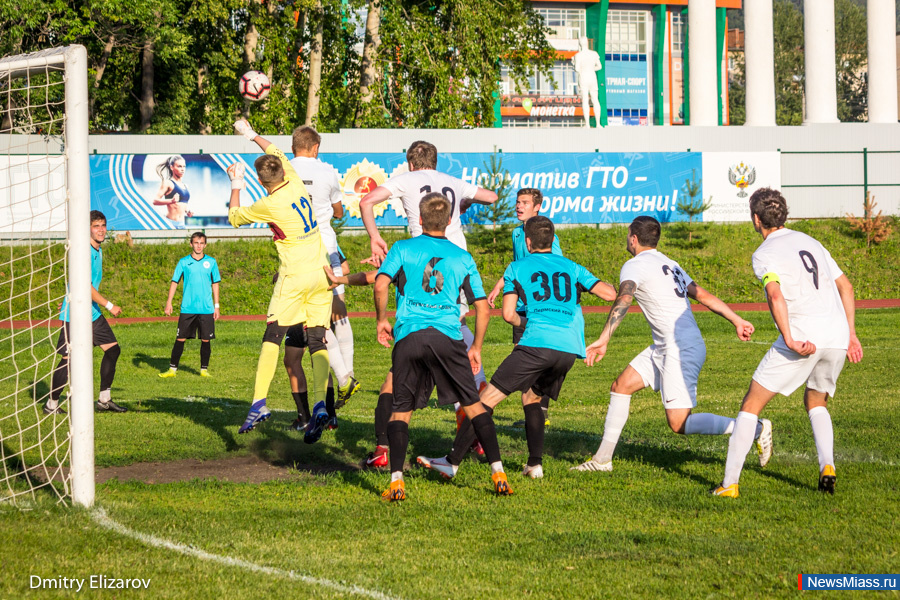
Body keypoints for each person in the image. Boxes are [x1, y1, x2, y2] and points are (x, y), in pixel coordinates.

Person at [418, 216, 616, 480]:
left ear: (528, 240)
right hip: (569, 349)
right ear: (553, 239)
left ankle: (451, 462)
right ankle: (534, 465)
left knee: (485, 400)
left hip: (537, 343)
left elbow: (509, 315)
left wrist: (532, 320)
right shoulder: (572, 266)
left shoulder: (517, 267)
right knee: (532, 397)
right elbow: (610, 294)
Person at [572, 216, 766, 474]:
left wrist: (605, 338)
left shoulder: (634, 264)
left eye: (628, 235)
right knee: (621, 386)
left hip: (680, 348)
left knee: (679, 423)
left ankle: (755, 428)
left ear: (634, 238)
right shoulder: (669, 263)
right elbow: (703, 295)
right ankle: (602, 459)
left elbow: (624, 298)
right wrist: (736, 319)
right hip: (665, 345)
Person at [713, 188, 863, 498]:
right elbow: (845, 287)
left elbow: (775, 294)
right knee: (816, 401)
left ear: (756, 219)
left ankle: (729, 485)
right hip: (835, 336)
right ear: (785, 215)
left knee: (751, 406)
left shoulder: (764, 253)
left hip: (804, 336)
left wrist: (791, 339)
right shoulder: (812, 242)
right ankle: (827, 466)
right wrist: (850, 334)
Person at [357, 140, 499, 465]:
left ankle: (384, 449)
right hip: (456, 261)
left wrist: (374, 236)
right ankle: (474, 427)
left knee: (408, 352)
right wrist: (459, 208)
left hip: (420, 260)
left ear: (410, 163)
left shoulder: (406, 180)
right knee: (456, 340)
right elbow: (490, 197)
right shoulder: (452, 180)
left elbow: (367, 201)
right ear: (434, 161)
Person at [375, 193, 511, 501]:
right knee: (474, 405)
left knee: (401, 410)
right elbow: (481, 306)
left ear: (420, 220)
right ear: (449, 222)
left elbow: (381, 283)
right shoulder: (462, 257)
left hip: (409, 335)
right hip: (448, 337)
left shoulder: (403, 248)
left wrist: (382, 319)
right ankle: (499, 473)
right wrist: (475, 345)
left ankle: (396, 482)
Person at [226, 119, 332, 441]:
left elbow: (234, 218)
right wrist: (250, 134)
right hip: (322, 271)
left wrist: (236, 183)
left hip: (295, 276)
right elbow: (273, 150)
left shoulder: (269, 204)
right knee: (317, 341)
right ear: (283, 170)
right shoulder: (296, 180)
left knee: (272, 335)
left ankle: (258, 403)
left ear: (262, 180)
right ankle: (319, 406)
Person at [288, 126, 360, 409]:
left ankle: (344, 379)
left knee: (315, 320)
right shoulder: (328, 171)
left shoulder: (285, 169)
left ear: (295, 146)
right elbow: (338, 210)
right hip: (328, 246)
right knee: (338, 310)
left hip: (302, 249)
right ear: (315, 147)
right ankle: (349, 373)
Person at [486, 188, 562, 427]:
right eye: (518, 202)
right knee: (524, 352)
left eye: (525, 203)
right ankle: (537, 410)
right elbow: (517, 265)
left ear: (537, 207)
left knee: (531, 356)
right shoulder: (517, 233)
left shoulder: (548, 237)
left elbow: (555, 266)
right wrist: (500, 286)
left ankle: (538, 410)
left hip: (538, 308)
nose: (519, 206)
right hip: (520, 307)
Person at [47, 210, 126, 415]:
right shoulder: (84, 251)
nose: (100, 230)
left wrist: (67, 295)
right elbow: (84, 285)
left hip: (91, 313)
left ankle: (104, 400)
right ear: (87, 229)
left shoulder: (97, 250)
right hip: (74, 316)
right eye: (96, 226)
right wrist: (110, 305)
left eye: (103, 225)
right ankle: (51, 405)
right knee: (68, 360)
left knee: (113, 349)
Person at [158, 232, 221, 378]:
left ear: (205, 245)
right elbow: (174, 282)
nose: (199, 246)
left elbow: (215, 284)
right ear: (191, 244)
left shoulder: (211, 262)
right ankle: (172, 370)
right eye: (196, 243)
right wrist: (169, 302)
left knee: (206, 339)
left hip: (206, 309)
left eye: (201, 243)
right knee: (180, 338)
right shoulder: (183, 262)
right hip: (188, 308)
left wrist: (216, 306)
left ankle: (204, 370)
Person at [150, 155, 192, 229]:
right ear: (172, 167)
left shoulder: (185, 185)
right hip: (170, 224)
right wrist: (171, 201)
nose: (182, 169)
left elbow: (180, 204)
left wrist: (187, 211)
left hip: (182, 224)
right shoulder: (168, 183)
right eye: (179, 166)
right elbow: (155, 201)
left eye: (184, 166)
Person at [572, 36, 602, 128]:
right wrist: (591, 69)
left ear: (580, 44)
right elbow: (599, 66)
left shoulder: (578, 55)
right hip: (592, 77)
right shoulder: (594, 54)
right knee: (595, 100)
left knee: (585, 101)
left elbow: (577, 69)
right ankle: (598, 124)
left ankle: (587, 124)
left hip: (584, 78)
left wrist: (573, 63)